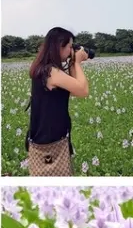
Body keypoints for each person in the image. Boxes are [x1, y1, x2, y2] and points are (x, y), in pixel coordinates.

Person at [24, 27, 89, 176]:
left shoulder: (41, 68)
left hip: (42, 140)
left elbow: (74, 86)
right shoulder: (51, 72)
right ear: (59, 46)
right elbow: (83, 90)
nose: (71, 50)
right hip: (52, 144)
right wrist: (77, 63)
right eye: (69, 46)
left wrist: (72, 62)